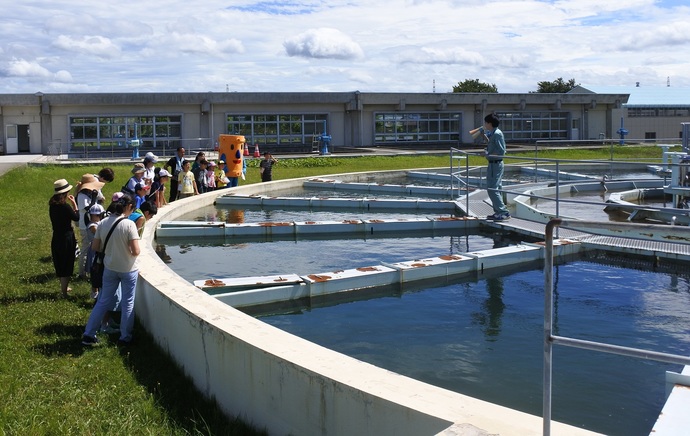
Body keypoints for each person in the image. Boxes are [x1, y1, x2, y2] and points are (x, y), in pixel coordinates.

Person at [81, 193, 140, 347]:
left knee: (102, 301)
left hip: (109, 267)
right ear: (128, 207)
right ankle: (125, 337)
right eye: (132, 209)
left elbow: (95, 247)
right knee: (128, 302)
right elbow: (136, 251)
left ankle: (89, 334)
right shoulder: (129, 225)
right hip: (128, 268)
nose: (132, 212)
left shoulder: (103, 222)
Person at [49, 179, 79, 297]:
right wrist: (75, 205)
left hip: (56, 237)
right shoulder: (65, 206)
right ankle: (64, 292)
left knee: (60, 263)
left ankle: (64, 286)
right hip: (66, 237)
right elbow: (76, 217)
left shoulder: (52, 205)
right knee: (67, 263)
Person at [75, 174, 105, 279]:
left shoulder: (88, 193)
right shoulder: (82, 195)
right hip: (85, 225)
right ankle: (82, 273)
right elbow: (88, 208)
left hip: (90, 222)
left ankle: (90, 269)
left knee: (91, 249)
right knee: (85, 248)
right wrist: (93, 198)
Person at [481, 113, 510, 221]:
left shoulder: (497, 134)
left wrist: (487, 155)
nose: (485, 124)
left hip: (496, 164)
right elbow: (492, 145)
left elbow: (501, 151)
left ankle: (503, 212)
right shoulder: (493, 133)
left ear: (490, 123)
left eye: (486, 122)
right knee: (496, 188)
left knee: (492, 188)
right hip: (493, 163)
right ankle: (498, 212)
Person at [85, 203, 105, 300]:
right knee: (95, 271)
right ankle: (94, 292)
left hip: (98, 250)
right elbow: (99, 234)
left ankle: (97, 291)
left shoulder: (98, 223)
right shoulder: (92, 225)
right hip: (94, 250)